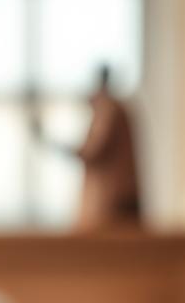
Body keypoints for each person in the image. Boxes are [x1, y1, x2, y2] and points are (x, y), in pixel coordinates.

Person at [31, 65, 141, 229]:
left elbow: (92, 151)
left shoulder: (109, 109)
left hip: (112, 205)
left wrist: (52, 142)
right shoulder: (113, 109)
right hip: (116, 203)